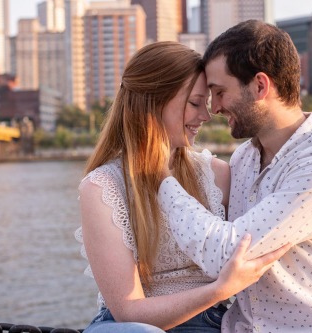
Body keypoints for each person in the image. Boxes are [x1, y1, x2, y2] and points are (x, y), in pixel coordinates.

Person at [157, 21, 312, 333]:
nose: (214, 108)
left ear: (260, 86)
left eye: (219, 92)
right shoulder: (243, 158)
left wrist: (162, 180)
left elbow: (227, 254)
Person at [75, 41, 291, 333]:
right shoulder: (102, 188)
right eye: (194, 103)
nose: (206, 115)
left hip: (214, 323)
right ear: (154, 100)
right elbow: (128, 311)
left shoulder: (218, 175)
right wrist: (220, 290)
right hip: (133, 328)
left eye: (207, 102)